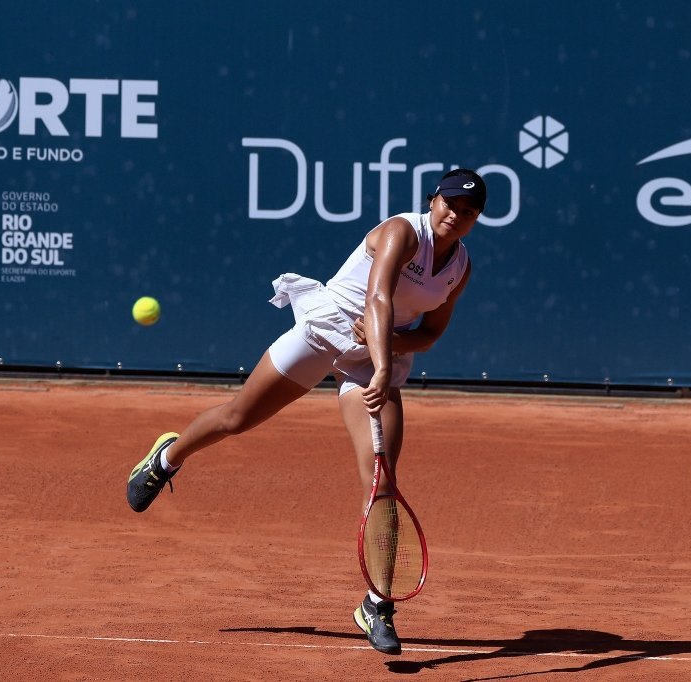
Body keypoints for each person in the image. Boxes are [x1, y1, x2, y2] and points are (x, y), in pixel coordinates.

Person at [127, 168, 487, 655]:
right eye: (450, 204)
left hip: (376, 358)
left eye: (468, 212)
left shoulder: (460, 267)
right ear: (433, 201)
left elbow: (430, 333)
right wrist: (383, 361)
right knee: (239, 417)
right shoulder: (404, 232)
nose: (455, 216)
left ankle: (378, 604)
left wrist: (385, 354)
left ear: (475, 220)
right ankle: (167, 458)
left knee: (382, 478)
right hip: (327, 329)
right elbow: (378, 296)